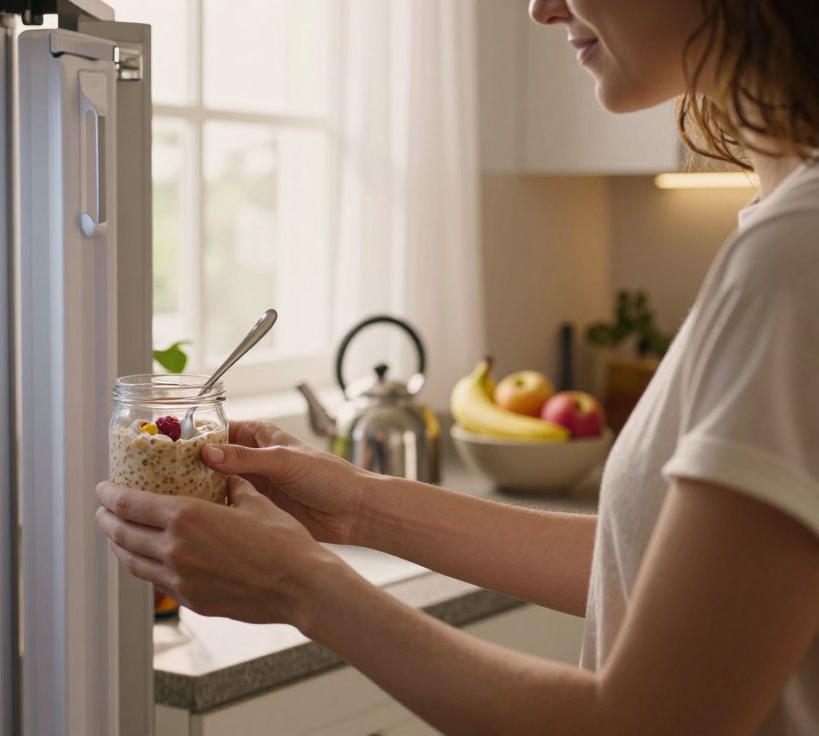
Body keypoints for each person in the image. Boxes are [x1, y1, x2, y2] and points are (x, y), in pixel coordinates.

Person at [94, 0, 819, 733]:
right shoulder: (784, 227)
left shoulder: (794, 256)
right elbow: (657, 569)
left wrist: (295, 585)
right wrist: (359, 506)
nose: (542, 8)